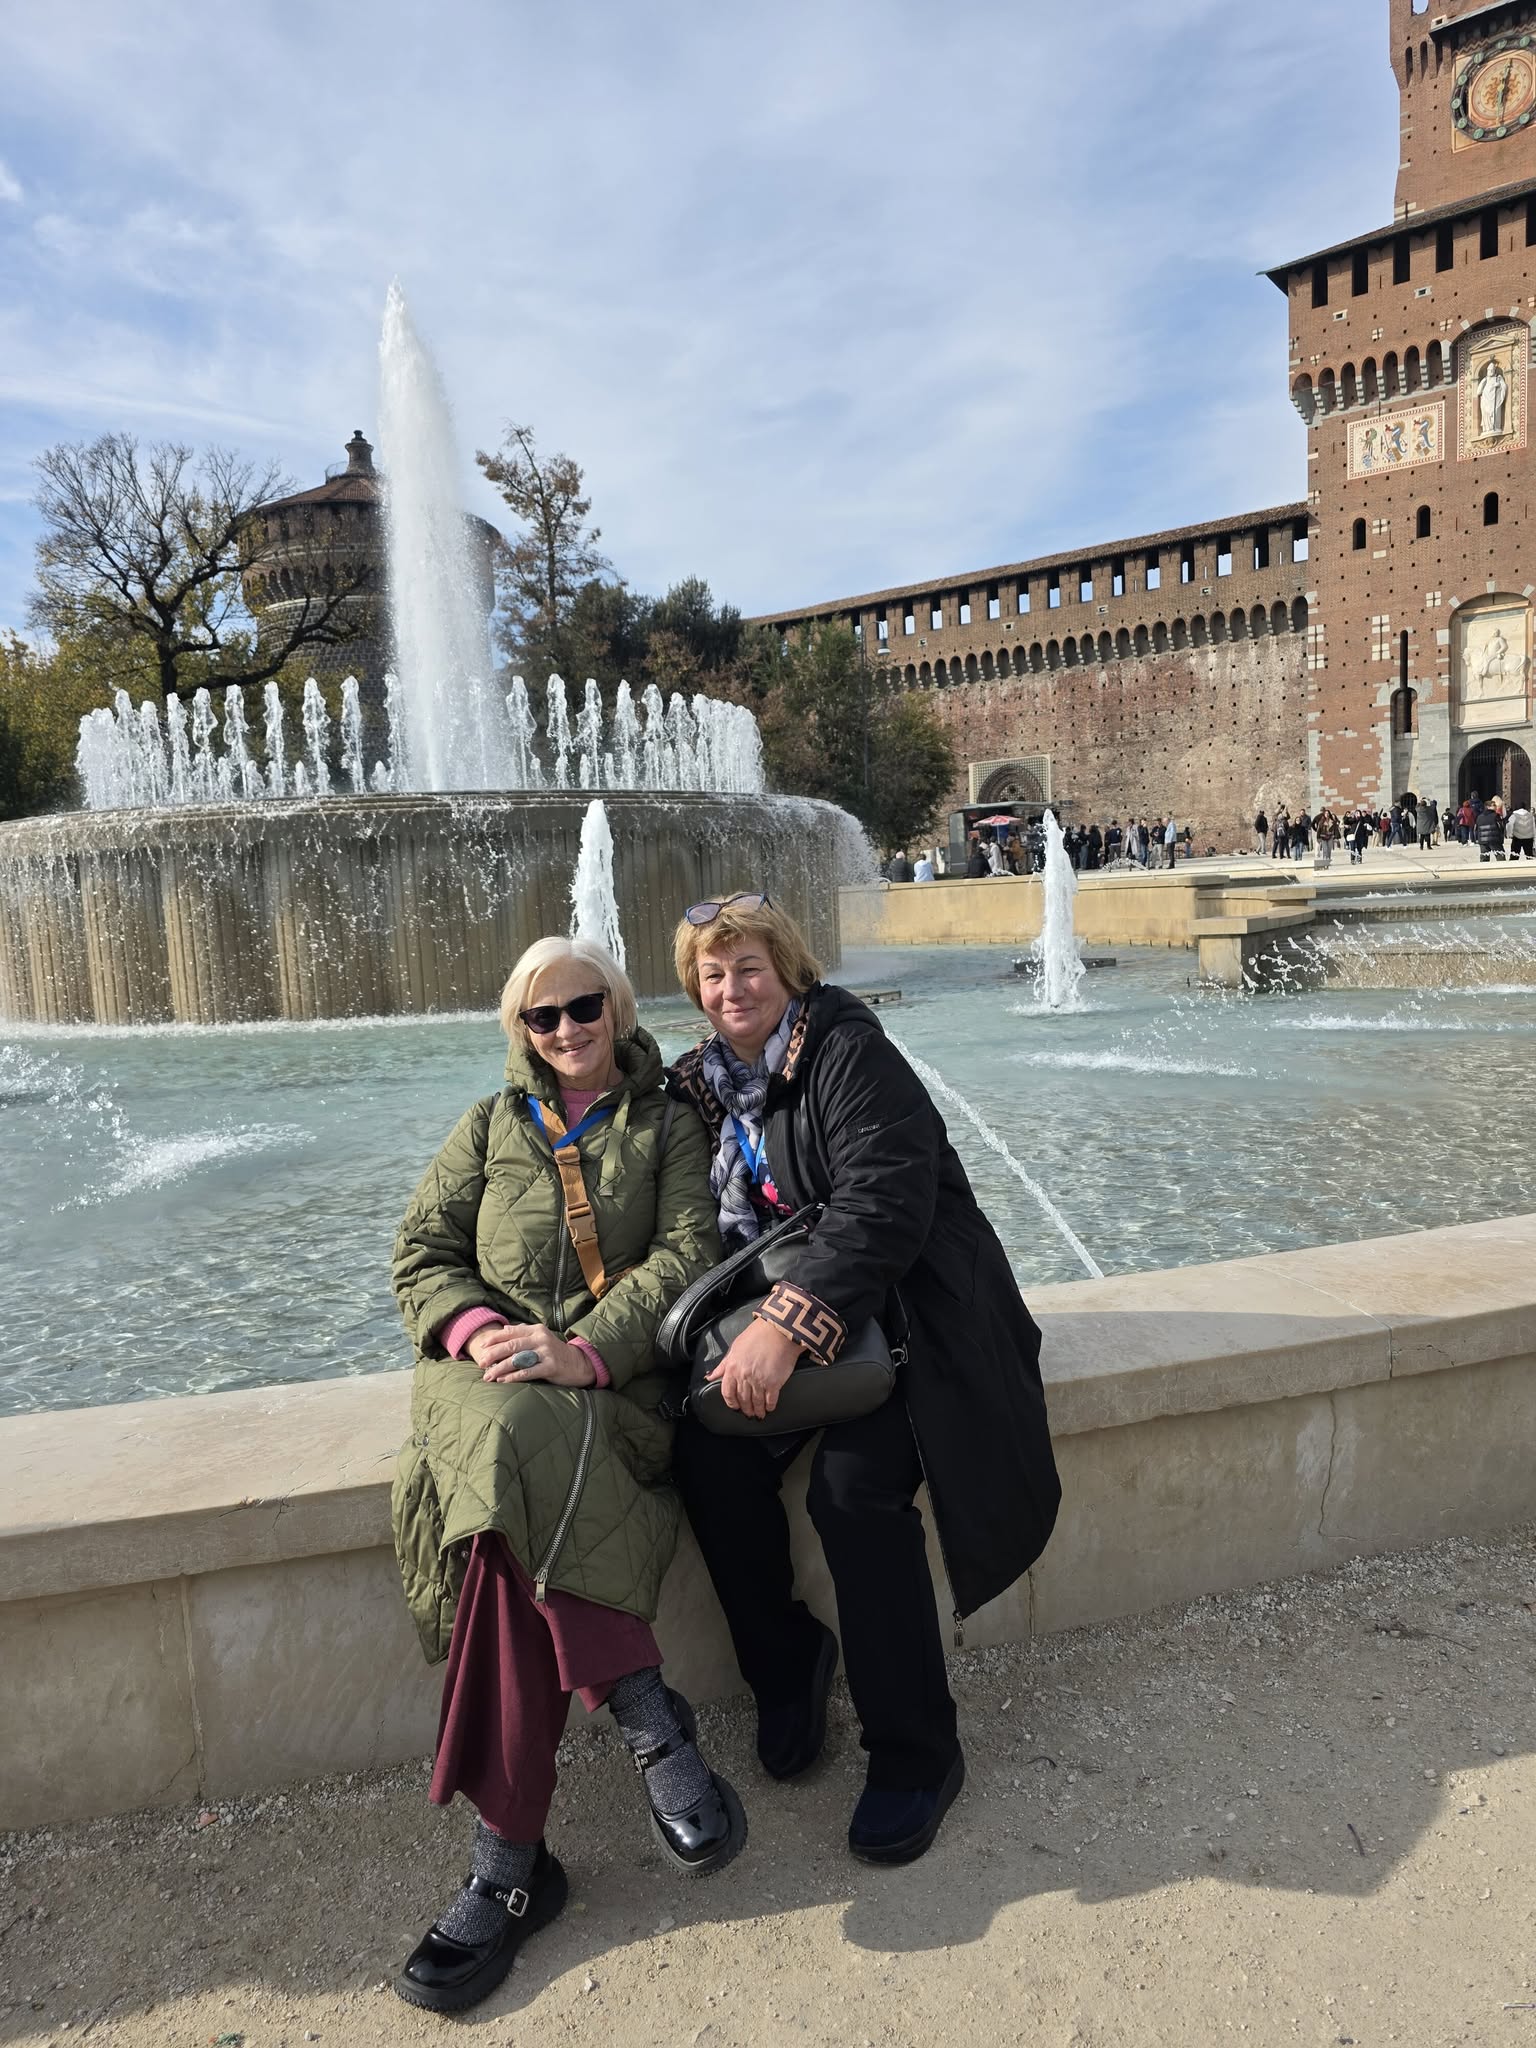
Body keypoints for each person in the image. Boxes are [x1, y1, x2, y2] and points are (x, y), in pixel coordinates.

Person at [667, 894, 1060, 1866]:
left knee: (853, 1490)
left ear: (788, 968)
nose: (731, 988)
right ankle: (789, 1663)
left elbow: (885, 1200)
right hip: (793, 1326)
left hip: (918, 1313)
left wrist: (785, 1327)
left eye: (748, 967)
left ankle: (917, 1752)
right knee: (707, 1458)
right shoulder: (702, 1082)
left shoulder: (846, 1049)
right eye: (712, 974)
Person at [389, 937, 738, 2013]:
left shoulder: (668, 1124)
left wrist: (583, 1349)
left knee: (505, 1500)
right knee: (502, 1442)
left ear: (618, 1008)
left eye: (585, 1006)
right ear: (521, 1029)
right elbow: (420, 1252)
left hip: (607, 1382)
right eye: (542, 1016)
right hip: (482, 1376)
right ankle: (646, 1713)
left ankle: (509, 1866)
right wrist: (477, 1328)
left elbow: (687, 1255)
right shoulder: (488, 1127)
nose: (567, 1029)